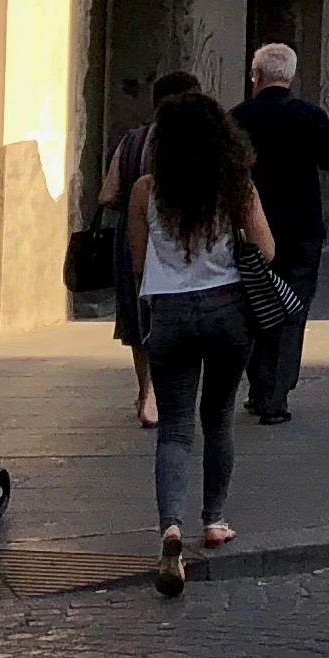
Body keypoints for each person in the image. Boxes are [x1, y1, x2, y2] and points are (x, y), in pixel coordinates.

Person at [127, 86, 272, 596]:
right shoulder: (236, 185)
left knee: (174, 431)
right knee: (219, 418)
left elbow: (139, 262)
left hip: (168, 314)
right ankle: (214, 521)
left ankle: (171, 529)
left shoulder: (147, 190)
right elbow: (267, 250)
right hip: (228, 309)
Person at [232, 43, 329, 423]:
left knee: (254, 304)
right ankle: (275, 397)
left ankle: (257, 387)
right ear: (291, 76)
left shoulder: (237, 118)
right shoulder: (311, 116)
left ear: (257, 76)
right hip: (302, 230)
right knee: (292, 308)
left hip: (250, 232)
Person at [99, 68, 202, 425]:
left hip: (134, 240)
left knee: (137, 316)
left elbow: (108, 194)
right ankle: (178, 390)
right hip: (185, 242)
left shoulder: (132, 141)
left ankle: (147, 392)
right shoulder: (202, 144)